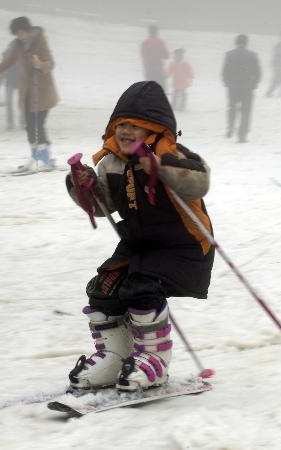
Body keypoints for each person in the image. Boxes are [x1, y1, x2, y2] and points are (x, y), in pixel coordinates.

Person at [66, 81, 214, 392]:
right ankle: (115, 357)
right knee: (103, 289)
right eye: (122, 124)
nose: (127, 131)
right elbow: (102, 206)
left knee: (141, 288)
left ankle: (154, 360)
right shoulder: (111, 163)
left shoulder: (173, 155)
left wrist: (157, 167)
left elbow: (197, 182)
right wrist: (83, 187)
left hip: (183, 245)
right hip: (139, 244)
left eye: (137, 125)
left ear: (156, 130)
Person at [0, 16, 58, 171]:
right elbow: (6, 62)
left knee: (37, 125)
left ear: (28, 30)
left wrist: (40, 64)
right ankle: (35, 156)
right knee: (29, 126)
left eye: (21, 32)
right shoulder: (17, 45)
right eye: (17, 33)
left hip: (42, 91)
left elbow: (51, 63)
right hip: (28, 92)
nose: (20, 36)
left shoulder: (40, 40)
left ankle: (45, 159)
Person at [222, 34, 261, 143]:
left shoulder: (229, 55)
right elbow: (258, 72)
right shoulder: (252, 55)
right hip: (247, 87)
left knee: (232, 108)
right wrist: (255, 84)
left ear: (236, 42)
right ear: (246, 43)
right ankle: (242, 135)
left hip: (233, 87)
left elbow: (225, 71)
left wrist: (227, 82)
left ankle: (230, 127)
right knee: (246, 111)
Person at [0, 46, 24, 130]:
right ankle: (10, 123)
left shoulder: (22, 55)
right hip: (10, 82)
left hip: (20, 82)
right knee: (9, 103)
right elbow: (2, 68)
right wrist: (0, 81)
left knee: (22, 103)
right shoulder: (7, 55)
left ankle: (22, 122)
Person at [140, 25, 169, 90]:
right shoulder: (160, 42)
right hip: (159, 68)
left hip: (149, 68)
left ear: (148, 32)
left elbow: (144, 57)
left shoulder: (145, 43)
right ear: (157, 32)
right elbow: (166, 56)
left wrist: (146, 70)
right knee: (161, 88)